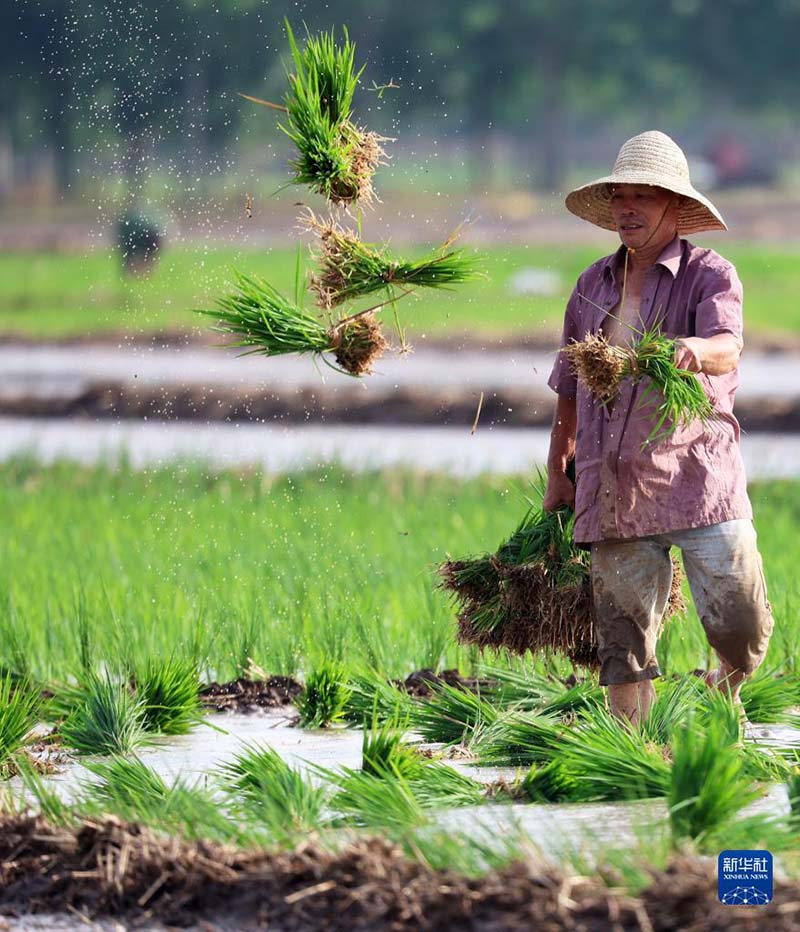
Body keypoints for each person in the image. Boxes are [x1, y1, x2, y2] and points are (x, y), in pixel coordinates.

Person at [543, 130, 774, 726]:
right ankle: (636, 756)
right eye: (620, 196)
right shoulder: (592, 285)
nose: (627, 208)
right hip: (615, 487)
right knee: (623, 645)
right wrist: (557, 471)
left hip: (699, 481)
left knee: (743, 626)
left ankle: (720, 693)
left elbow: (729, 345)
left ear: (675, 206)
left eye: (643, 197)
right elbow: (568, 389)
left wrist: (693, 350)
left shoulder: (710, 275)